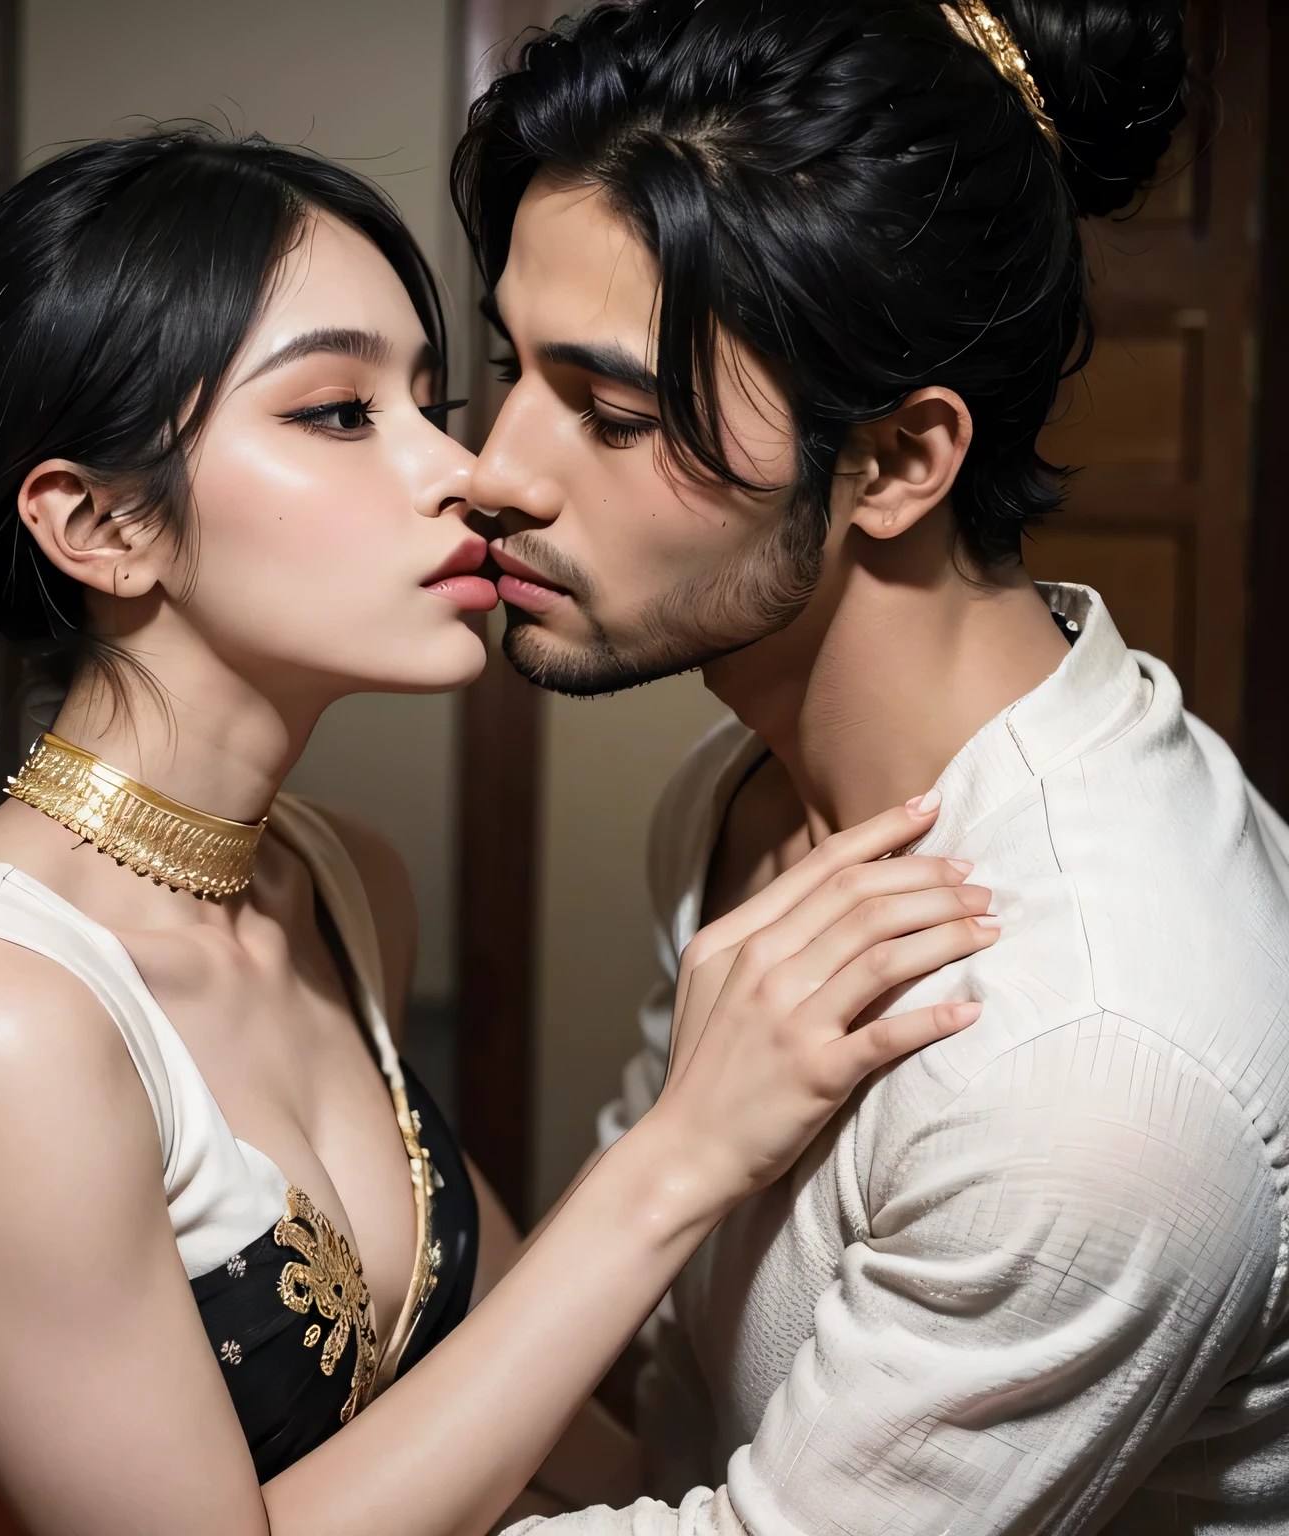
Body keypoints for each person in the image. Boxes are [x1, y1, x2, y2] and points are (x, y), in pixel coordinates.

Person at [0, 130, 997, 1536]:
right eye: (341, 413)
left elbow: (500, 1391)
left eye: (431, 398)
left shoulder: (336, 883)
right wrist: (684, 1153)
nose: (463, 471)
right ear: (102, 523)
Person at [452, 1, 1289, 1532]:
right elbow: (651, 1382)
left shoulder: (1093, 1068)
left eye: (614, 412)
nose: (495, 469)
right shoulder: (744, 789)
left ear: (899, 463)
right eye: (508, 368)